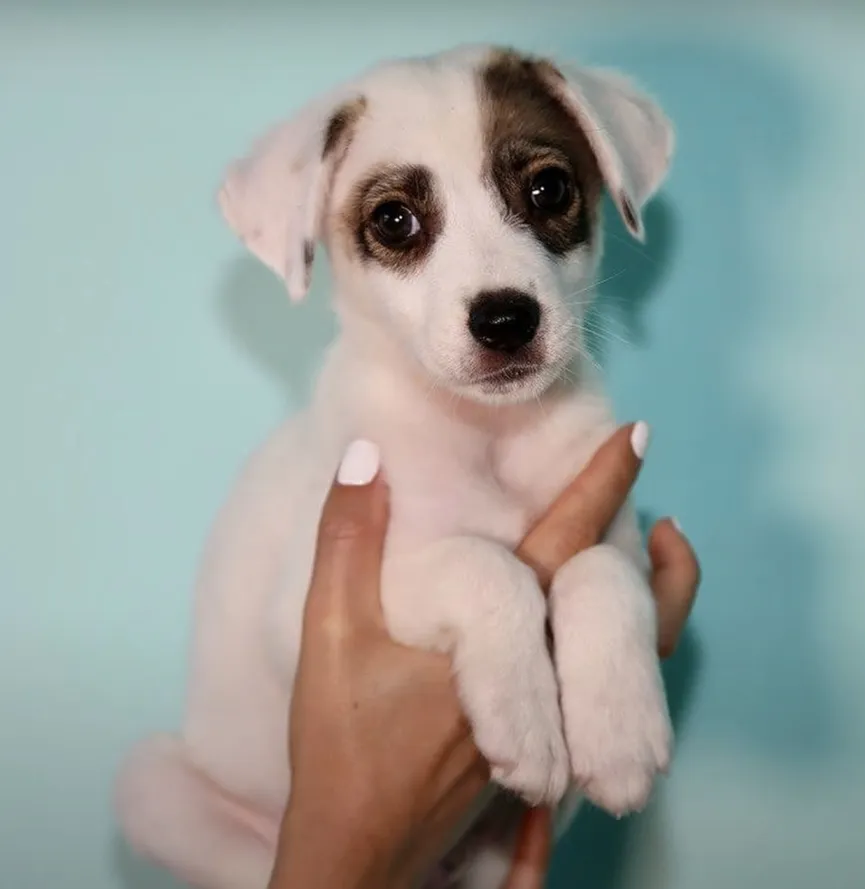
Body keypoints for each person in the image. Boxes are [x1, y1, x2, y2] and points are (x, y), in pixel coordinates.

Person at [268, 424, 700, 889]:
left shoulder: (580, 425)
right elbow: (299, 634)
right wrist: (485, 596)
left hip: (485, 865)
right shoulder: (363, 414)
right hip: (246, 838)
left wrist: (610, 596)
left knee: (604, 579)